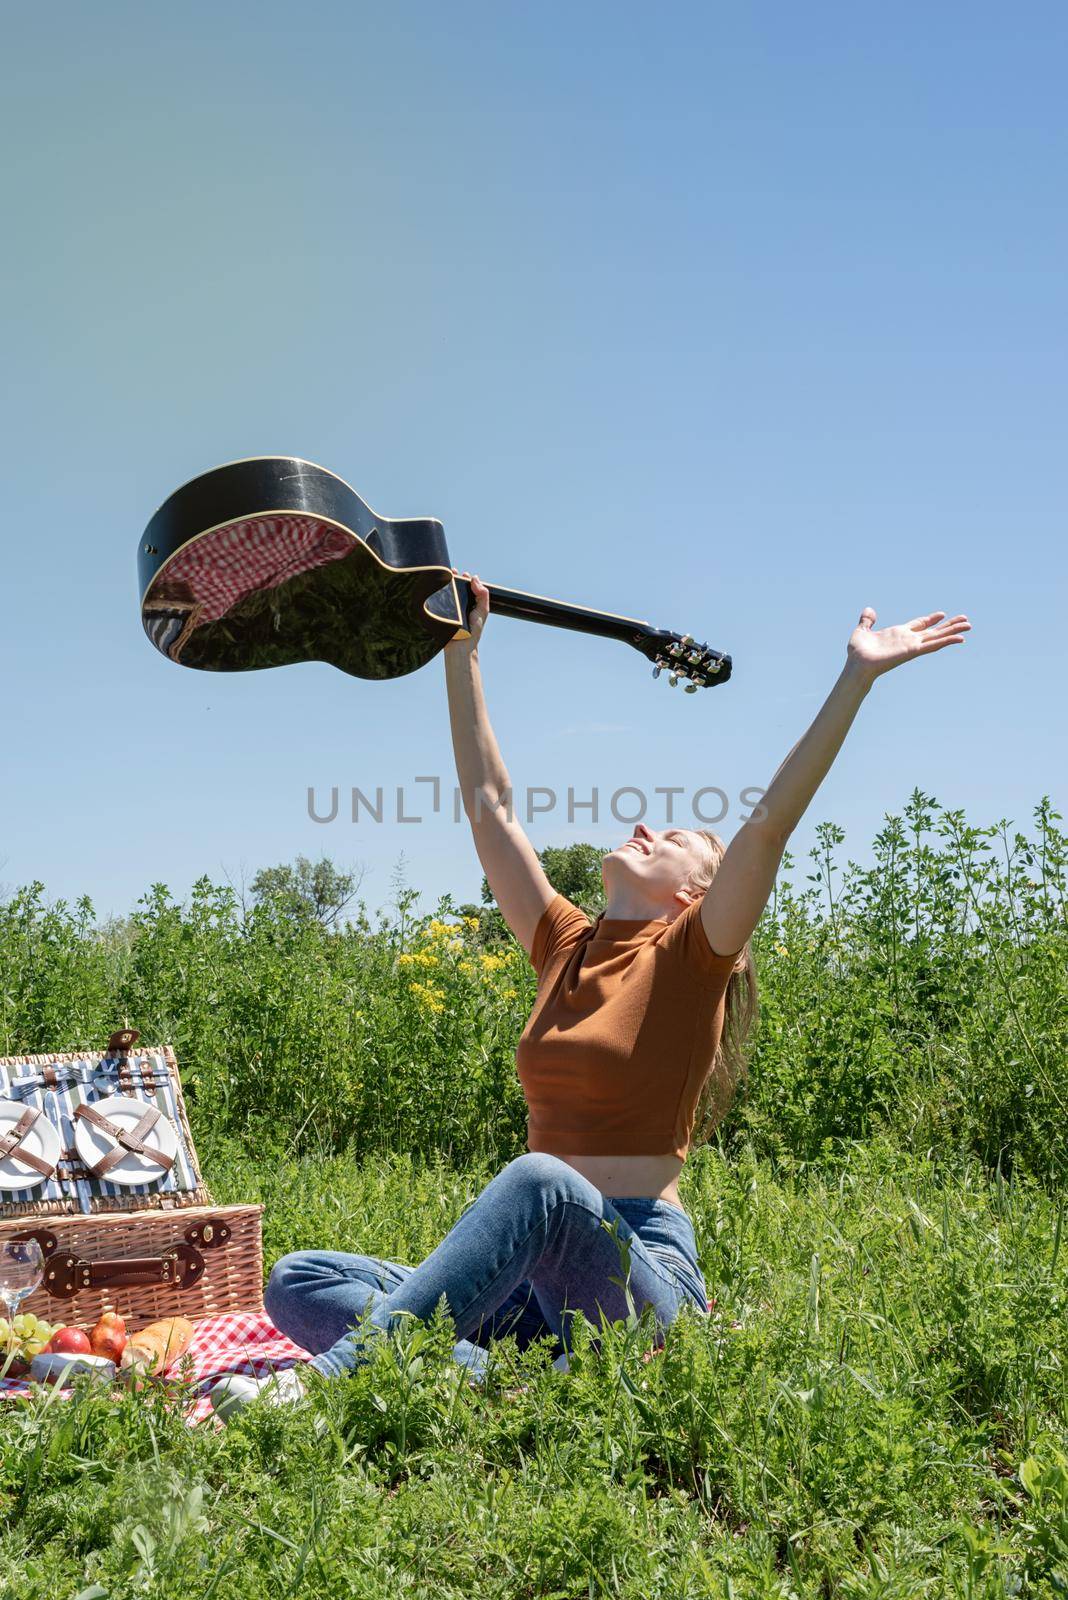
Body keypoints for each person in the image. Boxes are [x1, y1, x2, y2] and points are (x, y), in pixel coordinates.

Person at [211, 578, 969, 1417]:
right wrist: (462, 654)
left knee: (540, 1181)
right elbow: (490, 808)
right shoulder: (566, 945)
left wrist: (855, 679)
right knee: (300, 1280)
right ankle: (518, 1385)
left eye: (673, 838)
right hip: (536, 1291)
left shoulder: (692, 955)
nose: (644, 828)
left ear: (696, 893)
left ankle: (330, 1390)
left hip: (634, 1273)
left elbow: (766, 828)